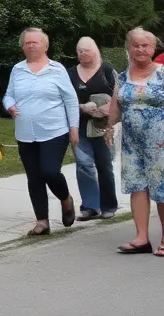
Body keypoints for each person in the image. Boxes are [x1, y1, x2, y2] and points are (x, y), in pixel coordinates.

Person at [109, 27, 164, 257]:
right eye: (136, 45)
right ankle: (141, 238)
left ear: (153, 48)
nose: (141, 49)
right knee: (137, 188)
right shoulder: (122, 76)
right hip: (132, 146)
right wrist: (107, 125)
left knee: (163, 190)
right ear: (129, 47)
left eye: (146, 45)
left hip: (162, 144)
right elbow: (116, 107)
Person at [3, 28, 80, 236]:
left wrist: (74, 128)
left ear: (45, 46)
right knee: (34, 177)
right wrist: (9, 104)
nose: (31, 45)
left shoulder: (57, 70)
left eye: (35, 42)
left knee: (49, 172)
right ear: (22, 47)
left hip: (55, 131)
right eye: (27, 43)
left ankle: (66, 199)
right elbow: (8, 95)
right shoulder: (17, 70)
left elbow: (71, 100)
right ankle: (42, 221)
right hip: (26, 133)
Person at [68, 37, 119, 221]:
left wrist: (107, 110)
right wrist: (82, 108)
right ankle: (90, 206)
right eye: (79, 51)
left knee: (104, 164)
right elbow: (65, 98)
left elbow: (119, 95)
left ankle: (108, 205)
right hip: (80, 125)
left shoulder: (107, 71)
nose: (82, 54)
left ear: (95, 51)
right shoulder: (71, 73)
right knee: (83, 165)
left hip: (102, 126)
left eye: (86, 50)